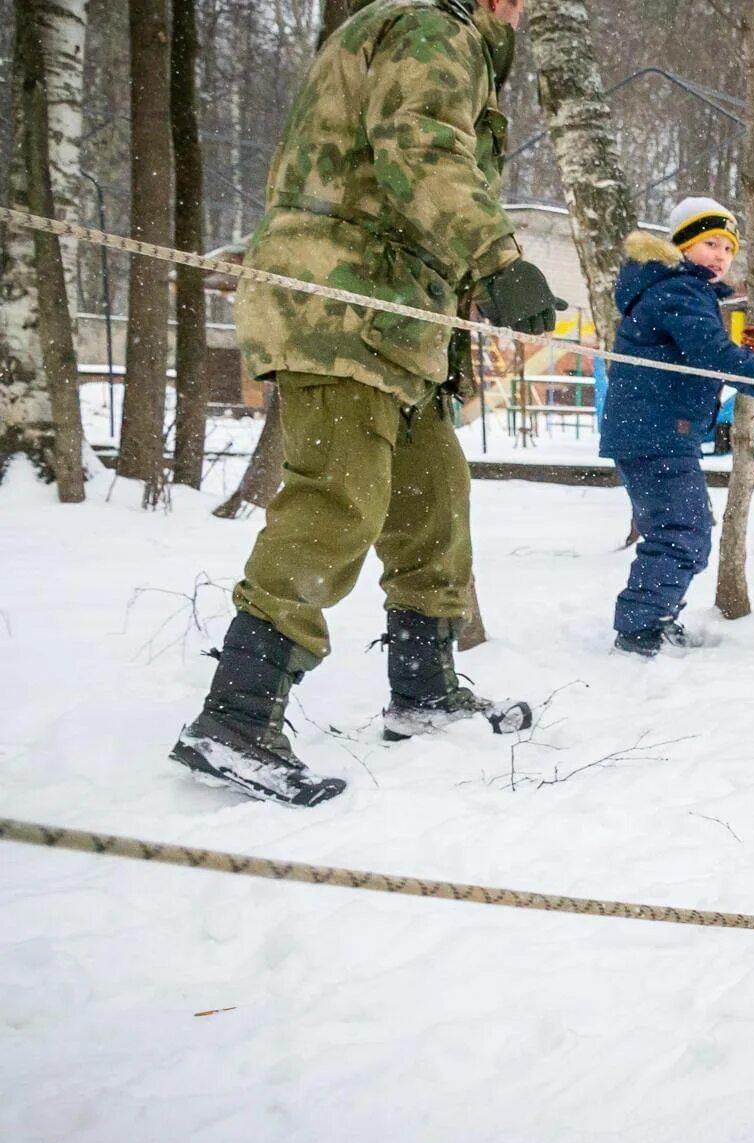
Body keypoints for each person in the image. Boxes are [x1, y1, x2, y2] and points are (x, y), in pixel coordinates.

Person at [171, 0, 562, 808]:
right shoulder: (432, 25)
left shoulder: (433, 32)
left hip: (389, 314)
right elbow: (419, 143)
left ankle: (423, 690)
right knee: (338, 500)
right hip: (344, 303)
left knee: (432, 499)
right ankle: (238, 714)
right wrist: (496, 256)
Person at [602, 198, 754, 657]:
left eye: (728, 249)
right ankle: (639, 630)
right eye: (709, 243)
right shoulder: (678, 290)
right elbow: (709, 350)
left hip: (654, 430)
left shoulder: (674, 289)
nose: (720, 256)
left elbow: (700, 351)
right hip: (657, 431)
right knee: (682, 532)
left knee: (678, 531)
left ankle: (650, 618)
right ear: (683, 246)